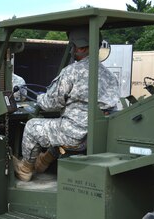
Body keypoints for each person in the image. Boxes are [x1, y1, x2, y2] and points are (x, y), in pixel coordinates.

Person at [13, 27, 120, 182]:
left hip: (76, 134)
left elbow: (51, 104)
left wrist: (40, 98)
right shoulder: (109, 76)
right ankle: (43, 161)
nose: (72, 51)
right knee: (58, 130)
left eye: (73, 47)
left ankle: (25, 169)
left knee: (32, 126)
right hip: (97, 135)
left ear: (82, 47)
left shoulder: (71, 71)